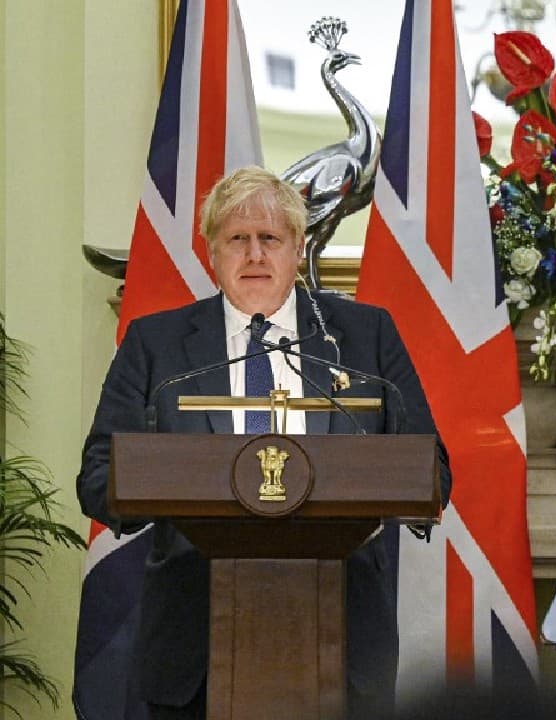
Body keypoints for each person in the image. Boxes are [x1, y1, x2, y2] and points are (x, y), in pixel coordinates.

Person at [77, 166, 450, 719]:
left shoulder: (366, 336)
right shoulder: (155, 345)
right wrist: (160, 485)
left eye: (270, 239)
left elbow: (432, 470)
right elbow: (98, 476)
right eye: (237, 239)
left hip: (343, 633)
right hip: (192, 641)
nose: (255, 255)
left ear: (297, 249)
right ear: (211, 253)